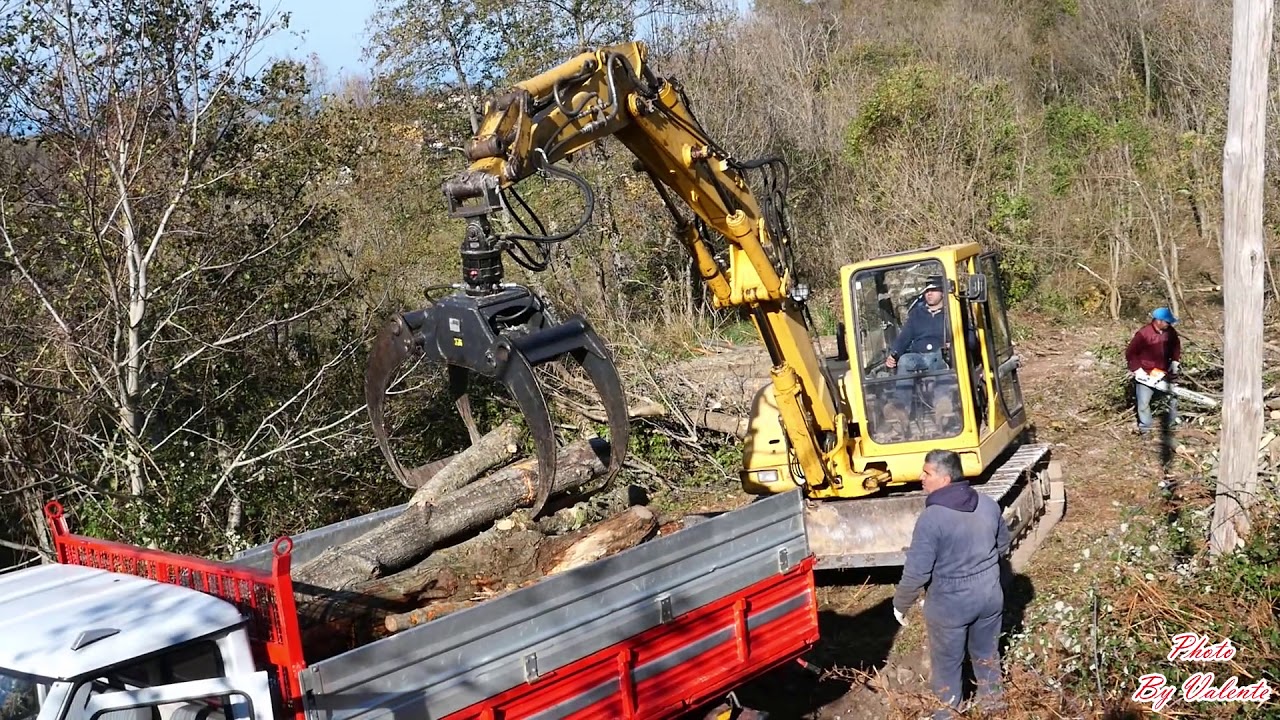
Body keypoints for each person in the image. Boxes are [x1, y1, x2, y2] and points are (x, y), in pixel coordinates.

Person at [893, 449, 1011, 718]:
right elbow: (1003, 544)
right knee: (987, 655)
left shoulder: (932, 518)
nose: (921, 477)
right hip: (990, 597)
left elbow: (917, 572)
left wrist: (900, 603)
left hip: (950, 605)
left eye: (927, 473)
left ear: (945, 479)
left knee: (947, 664)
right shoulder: (988, 504)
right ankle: (995, 708)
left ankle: (948, 714)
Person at [1125, 307, 1182, 435]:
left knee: (1172, 399)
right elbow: (1130, 353)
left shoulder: (1170, 332)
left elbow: (1176, 346)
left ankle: (1171, 426)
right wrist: (1137, 370)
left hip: (1164, 372)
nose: (1169, 324)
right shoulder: (1144, 334)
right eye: (1167, 322)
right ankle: (1146, 430)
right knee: (1143, 404)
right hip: (1146, 372)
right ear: (1158, 321)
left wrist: (1175, 361)